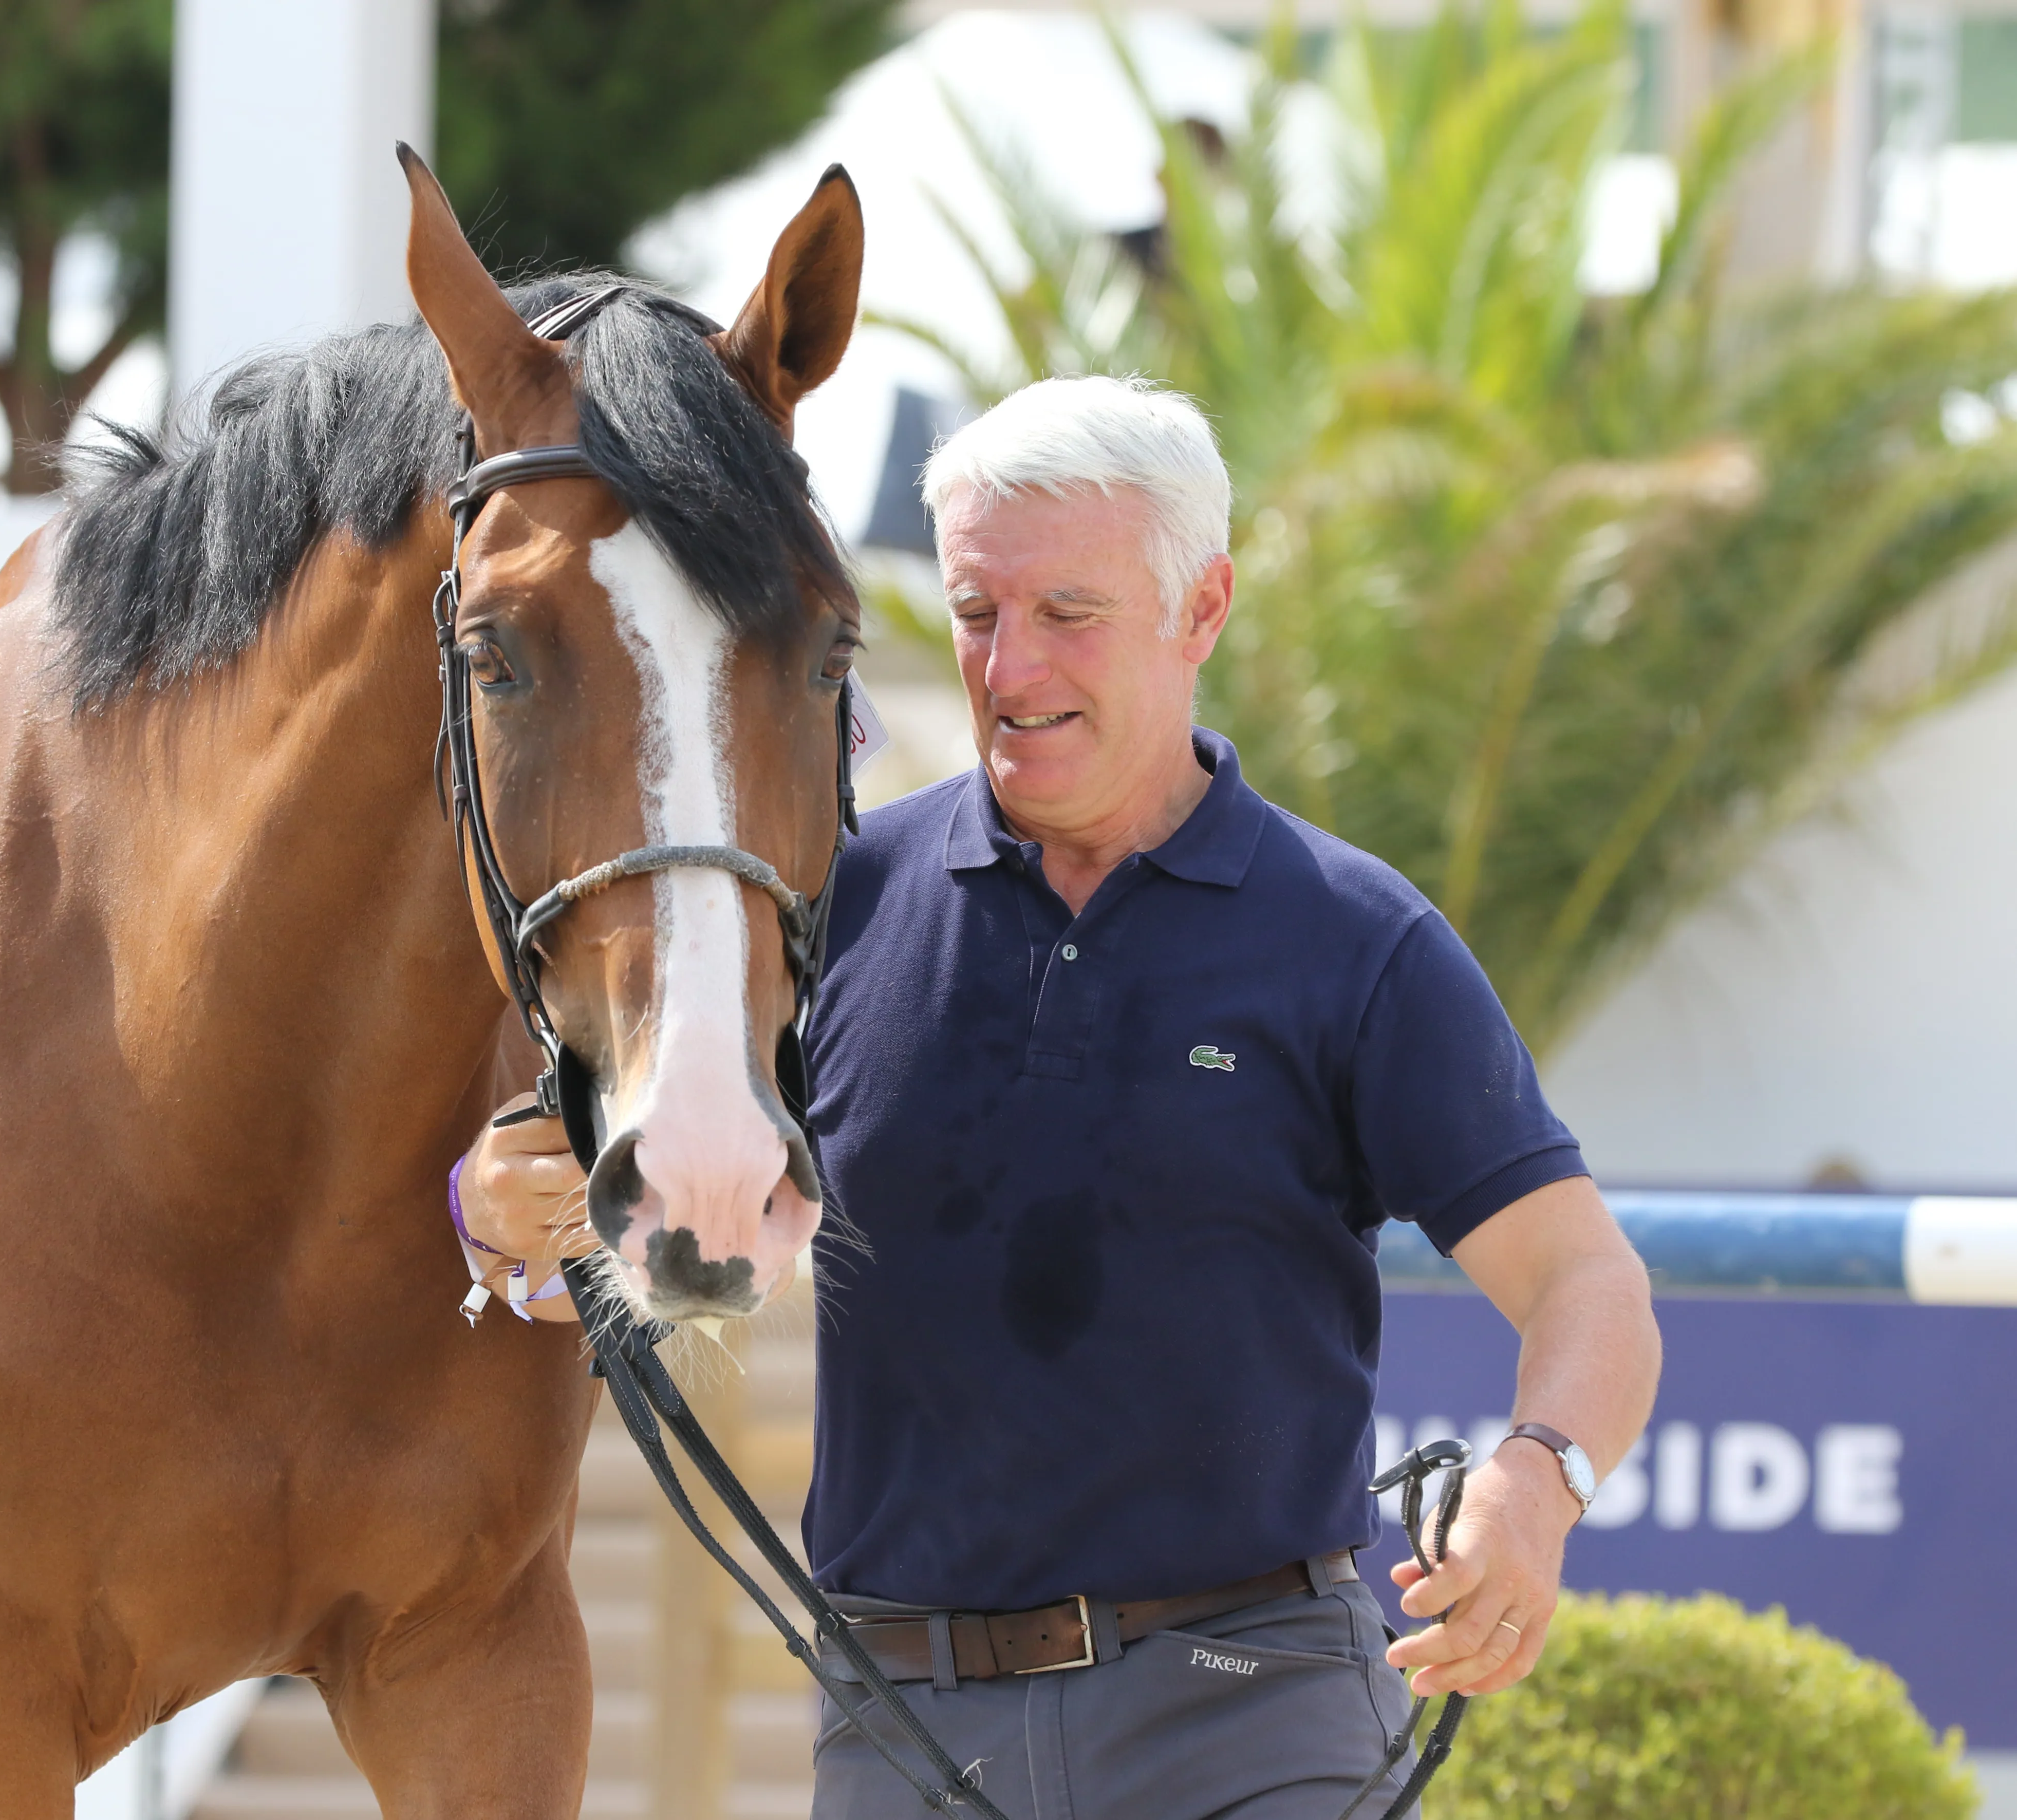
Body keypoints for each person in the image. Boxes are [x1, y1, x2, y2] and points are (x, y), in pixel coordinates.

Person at [457, 375, 1660, 1817]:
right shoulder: (830, 904)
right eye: (976, 615)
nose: (1008, 669)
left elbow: (1588, 1280)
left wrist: (1540, 1480)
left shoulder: (1357, 938)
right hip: (908, 1734)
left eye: (1067, 615)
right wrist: (496, 1208)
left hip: (1258, 1713)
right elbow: (610, 1185)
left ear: (1201, 610)